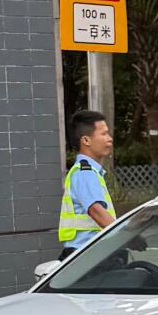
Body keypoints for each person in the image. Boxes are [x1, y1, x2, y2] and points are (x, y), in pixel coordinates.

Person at [58, 110, 117, 257]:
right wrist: (126, 237)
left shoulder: (88, 172)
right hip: (87, 255)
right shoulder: (85, 172)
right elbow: (97, 212)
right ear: (86, 141)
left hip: (86, 254)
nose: (109, 139)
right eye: (104, 134)